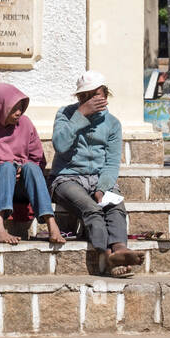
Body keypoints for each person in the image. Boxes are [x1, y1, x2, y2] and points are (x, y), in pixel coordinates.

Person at [50, 70, 144, 277]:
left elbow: (111, 163)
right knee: (92, 209)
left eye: (95, 94)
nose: (90, 99)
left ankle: (120, 249)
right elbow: (60, 145)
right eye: (84, 96)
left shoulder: (112, 124)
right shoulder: (65, 114)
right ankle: (106, 254)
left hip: (99, 179)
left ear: (105, 94)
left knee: (115, 206)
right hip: (67, 177)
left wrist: (102, 188)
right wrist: (80, 114)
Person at [0, 82, 65, 246]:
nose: (18, 112)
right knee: (6, 167)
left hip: (21, 185)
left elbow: (38, 158)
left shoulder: (26, 123)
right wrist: (4, 167)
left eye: (21, 107)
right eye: (13, 108)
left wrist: (21, 168)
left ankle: (51, 222)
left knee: (31, 167)